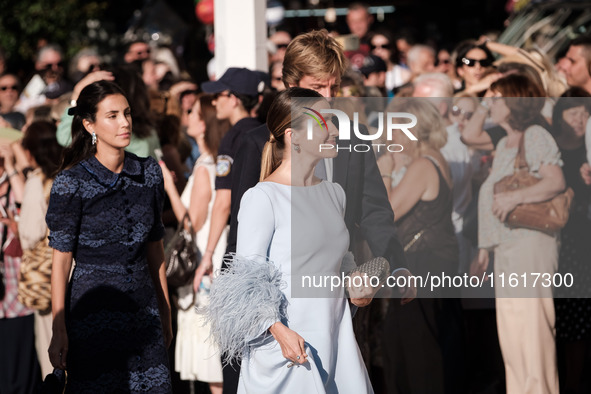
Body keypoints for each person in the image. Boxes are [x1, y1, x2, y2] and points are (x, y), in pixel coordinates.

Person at [223, 29, 415, 394]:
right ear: (291, 87)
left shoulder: (352, 140)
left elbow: (375, 212)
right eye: (316, 88)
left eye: (334, 88)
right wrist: (267, 327)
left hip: (339, 309)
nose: (328, 98)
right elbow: (244, 255)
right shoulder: (256, 145)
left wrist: (393, 263)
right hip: (282, 324)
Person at [208, 87, 375, 393]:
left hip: (337, 341)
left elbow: (341, 260)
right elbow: (247, 282)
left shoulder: (335, 193)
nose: (335, 130)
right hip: (288, 351)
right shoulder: (262, 198)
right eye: (324, 123)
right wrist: (278, 332)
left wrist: (356, 284)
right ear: (293, 136)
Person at [46, 80, 172, 392]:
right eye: (112, 116)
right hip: (92, 316)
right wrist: (59, 329)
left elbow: (156, 250)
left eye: (127, 113)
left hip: (145, 313)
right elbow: (60, 263)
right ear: (90, 125)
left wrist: (165, 313)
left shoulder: (150, 173)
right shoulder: (70, 182)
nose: (125, 123)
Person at [471, 74, 566, 394]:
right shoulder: (502, 142)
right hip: (506, 248)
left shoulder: (536, 135)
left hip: (530, 243)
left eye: (496, 98)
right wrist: (485, 248)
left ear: (514, 101)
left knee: (533, 333)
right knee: (512, 337)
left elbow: (555, 181)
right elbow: (470, 134)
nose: (490, 104)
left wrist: (514, 197)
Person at [378, 99, 464, 394]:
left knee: (416, 350)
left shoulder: (424, 164)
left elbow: (388, 211)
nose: (390, 137)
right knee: (415, 344)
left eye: (395, 129)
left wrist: (386, 170)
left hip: (423, 264)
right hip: (432, 260)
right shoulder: (433, 158)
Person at [159, 94, 230, 393]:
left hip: (203, 260)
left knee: (212, 360)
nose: (186, 115)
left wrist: (169, 188)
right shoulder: (218, 160)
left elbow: (191, 222)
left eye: (192, 112)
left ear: (204, 124)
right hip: (213, 255)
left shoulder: (205, 165)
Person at [192, 68, 262, 292]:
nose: (214, 103)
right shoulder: (267, 132)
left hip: (241, 243)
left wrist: (209, 255)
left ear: (233, 99)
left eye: (218, 96)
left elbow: (223, 202)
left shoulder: (232, 139)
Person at [550, 89, 591, 394]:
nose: (580, 119)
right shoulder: (548, 148)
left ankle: (574, 384)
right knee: (555, 318)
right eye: (573, 112)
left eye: (585, 113)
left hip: (582, 242)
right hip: (552, 241)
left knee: (578, 322)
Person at [18, 120, 63, 378]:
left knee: (52, 353)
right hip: (74, 274)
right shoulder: (69, 174)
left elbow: (30, 234)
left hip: (46, 279)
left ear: (31, 151)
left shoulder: (37, 182)